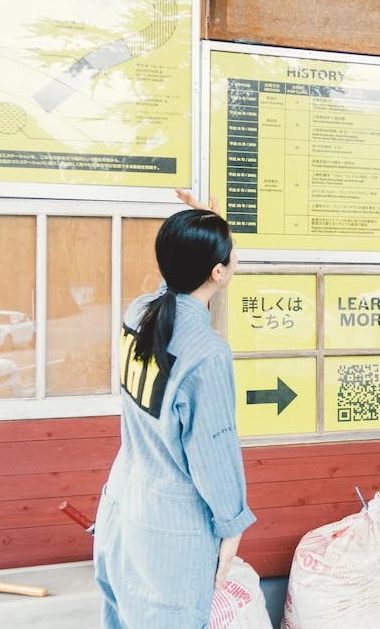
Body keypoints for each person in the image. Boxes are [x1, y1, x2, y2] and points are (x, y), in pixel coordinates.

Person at [94, 208, 256, 628]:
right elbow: (213, 453)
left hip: (124, 499)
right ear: (219, 272)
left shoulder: (140, 310)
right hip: (170, 526)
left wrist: (204, 225)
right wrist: (232, 525)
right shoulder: (207, 353)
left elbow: (181, 277)